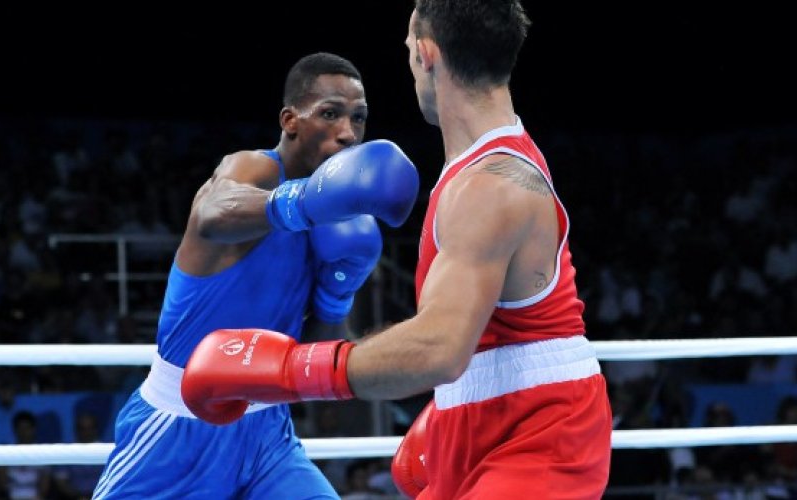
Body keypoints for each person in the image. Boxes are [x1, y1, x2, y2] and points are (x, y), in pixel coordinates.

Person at [181, 2, 612, 498]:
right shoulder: (476, 171)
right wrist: (455, 405)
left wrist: (290, 370)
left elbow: (439, 349)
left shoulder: (492, 187)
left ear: (427, 55)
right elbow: (490, 339)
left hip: (539, 437)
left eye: (408, 50)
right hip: (491, 417)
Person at [93, 52, 419, 499]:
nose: (347, 132)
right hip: (179, 429)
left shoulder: (338, 225)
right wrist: (303, 202)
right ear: (290, 120)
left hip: (269, 435)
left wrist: (336, 292)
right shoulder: (256, 170)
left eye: (358, 118)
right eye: (330, 113)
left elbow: (318, 349)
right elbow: (211, 213)